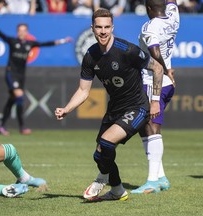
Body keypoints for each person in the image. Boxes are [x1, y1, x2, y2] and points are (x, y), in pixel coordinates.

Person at [55, 8, 164, 201]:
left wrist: (155, 100)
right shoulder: (90, 56)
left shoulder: (127, 50)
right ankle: (117, 190)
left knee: (106, 142)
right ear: (92, 28)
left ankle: (102, 179)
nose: (103, 31)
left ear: (112, 27)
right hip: (115, 109)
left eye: (107, 27)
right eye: (99, 27)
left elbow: (157, 67)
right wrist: (67, 109)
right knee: (99, 155)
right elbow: (83, 91)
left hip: (137, 107)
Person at [0, 15, 72, 136]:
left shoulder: (30, 44)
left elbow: (46, 44)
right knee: (20, 97)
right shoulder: (12, 41)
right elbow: (0, 33)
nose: (22, 32)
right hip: (11, 73)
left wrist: (63, 40)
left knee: (12, 101)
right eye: (20, 30)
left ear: (27, 32)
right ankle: (21, 127)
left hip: (21, 76)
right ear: (17, 32)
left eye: (24, 30)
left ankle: (1, 125)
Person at [130, 0, 180, 194]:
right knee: (145, 128)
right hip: (165, 84)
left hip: (154, 83)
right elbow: (173, 2)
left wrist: (166, 70)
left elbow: (154, 51)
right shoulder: (174, 16)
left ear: (148, 9)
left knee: (152, 129)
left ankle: (152, 181)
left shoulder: (150, 26)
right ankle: (161, 177)